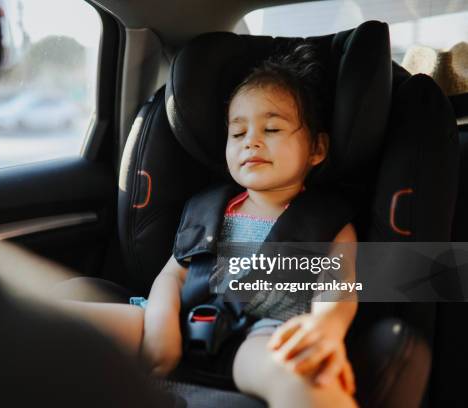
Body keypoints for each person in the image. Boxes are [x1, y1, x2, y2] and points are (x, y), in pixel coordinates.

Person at [59, 43, 358, 408]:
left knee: (301, 379)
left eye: (273, 128)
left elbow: (340, 285)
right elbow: (173, 276)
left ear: (317, 148)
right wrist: (161, 320)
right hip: (172, 321)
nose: (252, 141)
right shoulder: (205, 210)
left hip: (261, 332)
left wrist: (327, 328)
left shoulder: (327, 223)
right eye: (238, 133)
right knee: (52, 324)